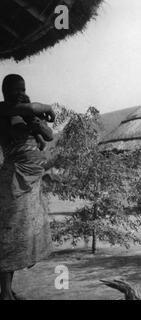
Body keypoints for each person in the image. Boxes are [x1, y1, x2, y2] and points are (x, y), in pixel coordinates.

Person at [0, 74, 55, 300]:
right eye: (14, 89)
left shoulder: (25, 115)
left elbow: (48, 137)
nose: (18, 93)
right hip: (14, 180)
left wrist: (37, 123)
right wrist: (44, 108)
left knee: (19, 238)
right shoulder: (2, 111)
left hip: (31, 183)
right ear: (4, 91)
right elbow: (32, 108)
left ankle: (6, 291)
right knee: (7, 236)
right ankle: (5, 294)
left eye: (21, 88)